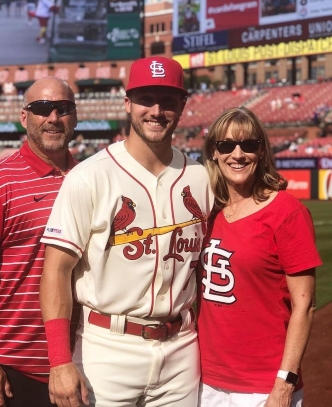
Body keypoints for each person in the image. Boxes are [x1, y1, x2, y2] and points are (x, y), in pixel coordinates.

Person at [39, 56, 214, 406]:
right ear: (128, 104)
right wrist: (59, 360)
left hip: (181, 350)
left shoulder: (201, 177)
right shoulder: (90, 176)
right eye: (146, 98)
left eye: (167, 101)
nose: (156, 110)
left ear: (182, 107)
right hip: (107, 349)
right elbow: (56, 270)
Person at [0, 76, 78, 407]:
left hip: (83, 361)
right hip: (15, 369)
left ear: (74, 115)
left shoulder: (91, 178)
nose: (53, 118)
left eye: (62, 108)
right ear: (25, 117)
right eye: (42, 109)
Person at [198, 107, 322, 407]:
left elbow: (304, 305)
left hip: (263, 387)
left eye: (248, 145)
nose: (237, 154)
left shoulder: (287, 212)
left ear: (261, 150)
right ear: (214, 152)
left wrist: (284, 384)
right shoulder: (205, 210)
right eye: (226, 145)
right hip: (204, 381)